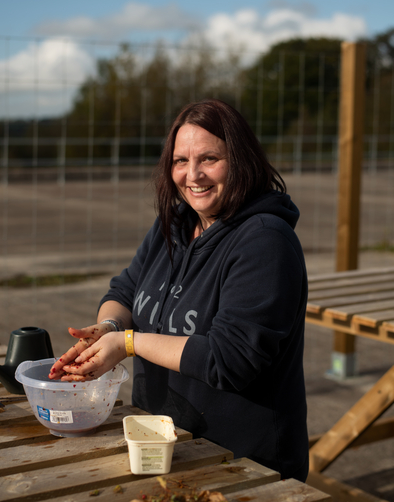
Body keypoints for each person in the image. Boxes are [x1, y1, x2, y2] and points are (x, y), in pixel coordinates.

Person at [49, 98, 309, 481]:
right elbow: (125, 291)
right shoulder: (174, 224)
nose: (193, 175)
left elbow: (229, 360)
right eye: (180, 161)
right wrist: (106, 330)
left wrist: (128, 343)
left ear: (241, 159)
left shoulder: (266, 241)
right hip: (165, 446)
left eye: (209, 159)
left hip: (243, 465)